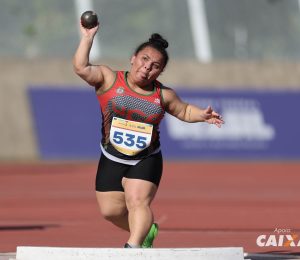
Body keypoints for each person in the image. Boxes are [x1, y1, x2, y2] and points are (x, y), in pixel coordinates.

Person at [73, 20, 224, 249]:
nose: (147, 67)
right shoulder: (108, 78)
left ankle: (132, 249)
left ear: (160, 71)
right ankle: (147, 230)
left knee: (137, 201)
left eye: (155, 66)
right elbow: (81, 67)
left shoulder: (163, 95)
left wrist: (201, 115)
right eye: (144, 60)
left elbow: (183, 110)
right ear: (133, 58)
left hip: (146, 158)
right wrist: (87, 38)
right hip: (112, 157)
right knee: (110, 212)